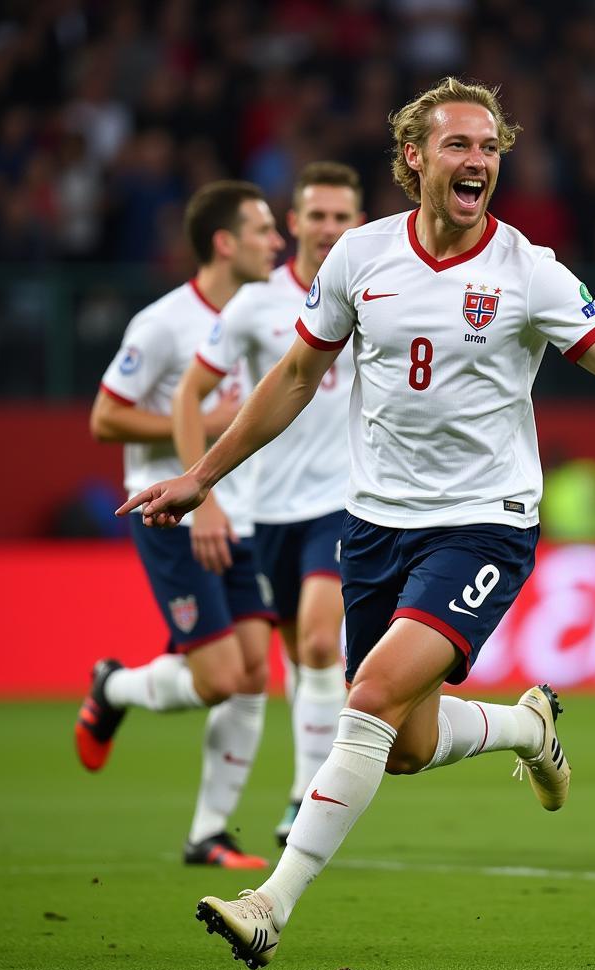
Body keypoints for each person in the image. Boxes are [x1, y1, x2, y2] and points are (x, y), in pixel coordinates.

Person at [118, 78, 595, 970]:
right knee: (407, 747)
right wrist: (201, 474)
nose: (479, 162)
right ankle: (528, 728)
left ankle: (270, 902)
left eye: (491, 148)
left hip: (485, 527)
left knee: (370, 698)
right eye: (460, 145)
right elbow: (296, 379)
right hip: (376, 528)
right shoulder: (360, 258)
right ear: (415, 158)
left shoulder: (527, 270)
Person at [78, 180, 285, 870]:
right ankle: (112, 688)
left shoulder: (266, 315)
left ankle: (209, 834)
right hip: (168, 510)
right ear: (225, 243)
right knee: (221, 676)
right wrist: (200, 433)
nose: (276, 242)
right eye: (262, 230)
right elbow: (106, 417)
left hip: (246, 514)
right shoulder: (165, 323)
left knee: (255, 671)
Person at [173, 162, 364, 847]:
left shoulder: (376, 291)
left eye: (343, 217)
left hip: (344, 501)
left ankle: (303, 799)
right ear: (295, 223)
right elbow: (188, 395)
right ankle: (302, 783)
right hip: (265, 510)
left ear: (357, 223)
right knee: (290, 657)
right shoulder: (255, 305)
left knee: (318, 640)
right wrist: (207, 497)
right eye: (318, 215)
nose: (329, 228)